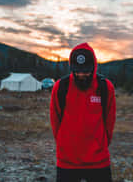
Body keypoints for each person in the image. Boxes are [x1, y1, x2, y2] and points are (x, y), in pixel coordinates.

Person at [50, 43, 116, 182]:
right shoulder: (61, 86)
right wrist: (64, 144)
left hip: (98, 161)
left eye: (86, 71)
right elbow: (55, 120)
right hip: (67, 162)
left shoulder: (105, 87)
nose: (81, 75)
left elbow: (109, 122)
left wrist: (100, 144)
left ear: (94, 67)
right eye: (77, 71)